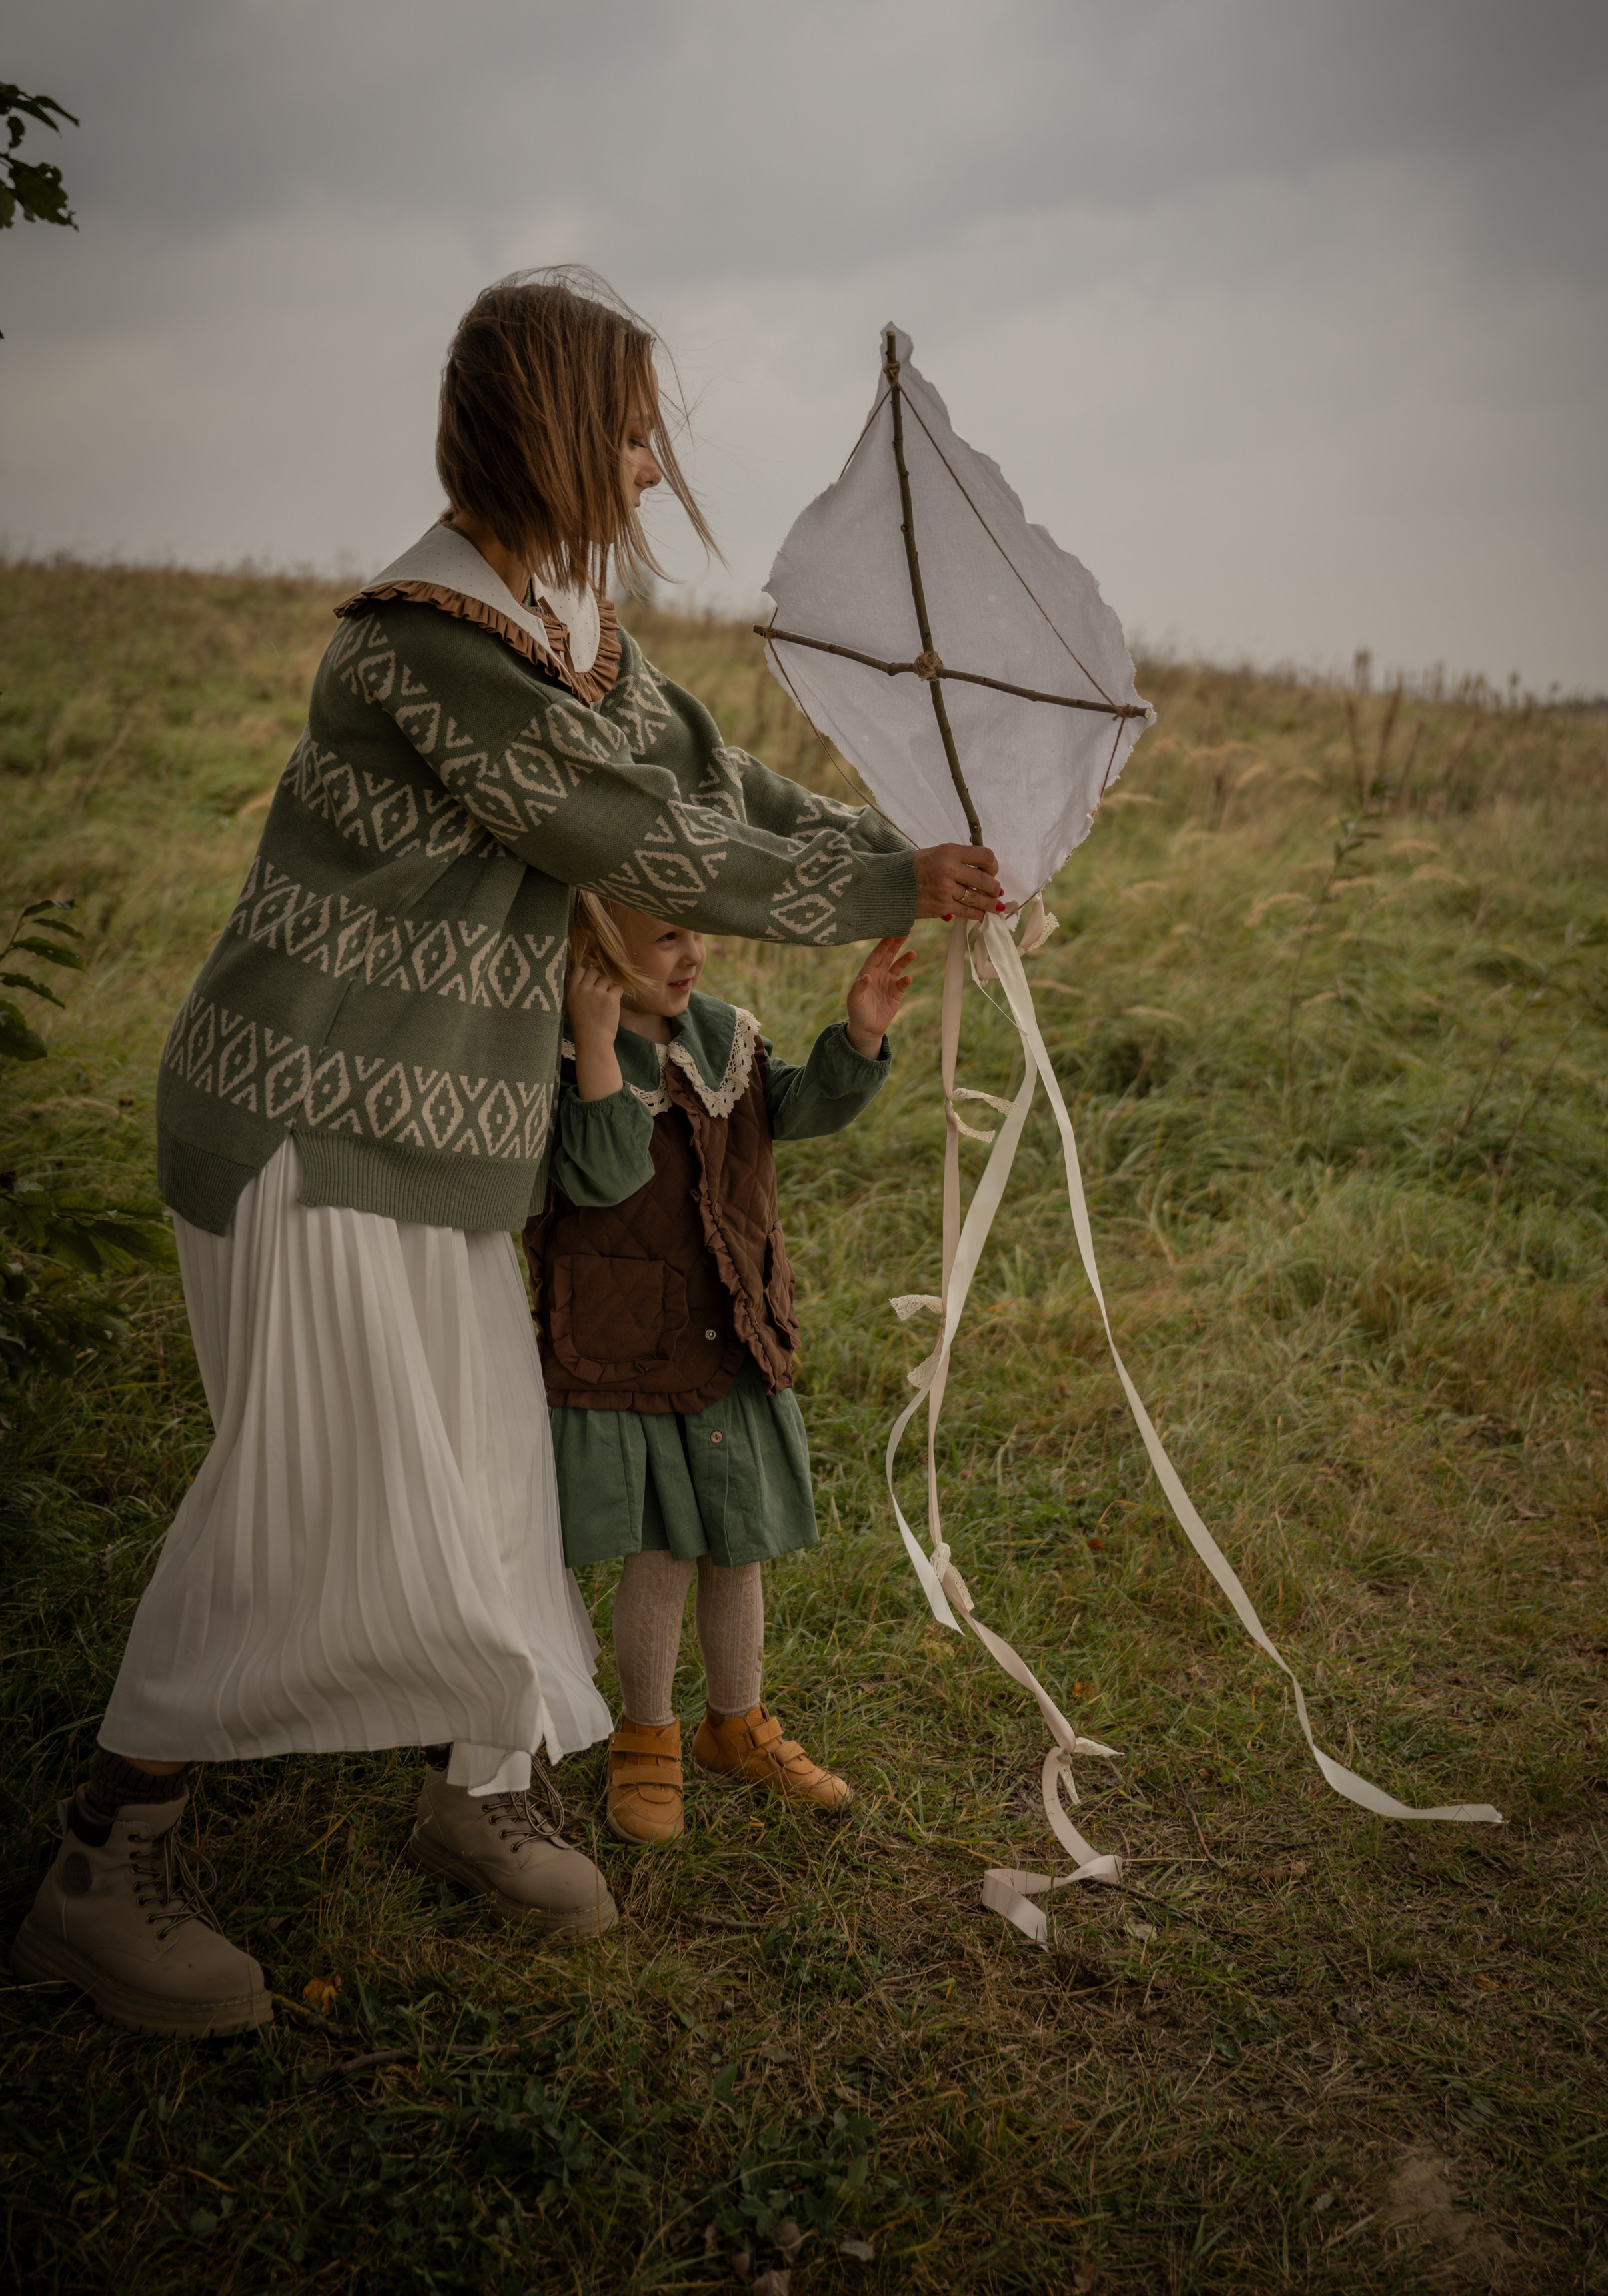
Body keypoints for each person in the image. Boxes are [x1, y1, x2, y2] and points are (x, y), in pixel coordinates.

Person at [10, 266, 1002, 2037]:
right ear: (551, 430)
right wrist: (882, 883)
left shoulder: (570, 627)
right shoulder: (425, 645)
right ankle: (106, 1862)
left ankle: (475, 1785)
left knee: (489, 1473)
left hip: (438, 1133)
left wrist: (906, 845)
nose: (647, 467)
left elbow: (716, 789)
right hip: (309, 1121)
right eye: (628, 430)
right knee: (296, 1491)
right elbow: (631, 834)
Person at [527, 892, 911, 1843]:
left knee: (738, 1541)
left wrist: (857, 1039)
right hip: (631, 1341)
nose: (694, 952)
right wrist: (597, 1038)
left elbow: (793, 1109)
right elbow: (604, 1176)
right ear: (596, 954)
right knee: (661, 1547)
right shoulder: (566, 1053)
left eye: (697, 931)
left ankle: (737, 1726)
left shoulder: (721, 1033)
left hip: (730, 1323)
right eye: (667, 938)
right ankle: (647, 1739)